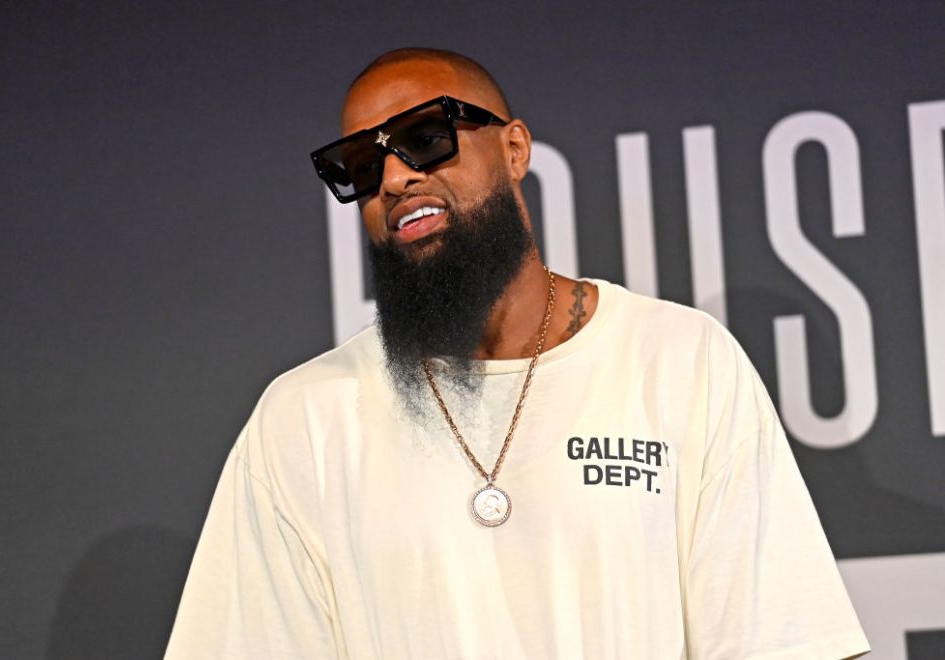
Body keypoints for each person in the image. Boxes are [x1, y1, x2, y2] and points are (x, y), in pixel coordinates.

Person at [166, 48, 870, 659]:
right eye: (360, 163)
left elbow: (783, 641)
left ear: (514, 150)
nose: (392, 179)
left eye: (424, 137)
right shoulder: (305, 420)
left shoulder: (679, 361)